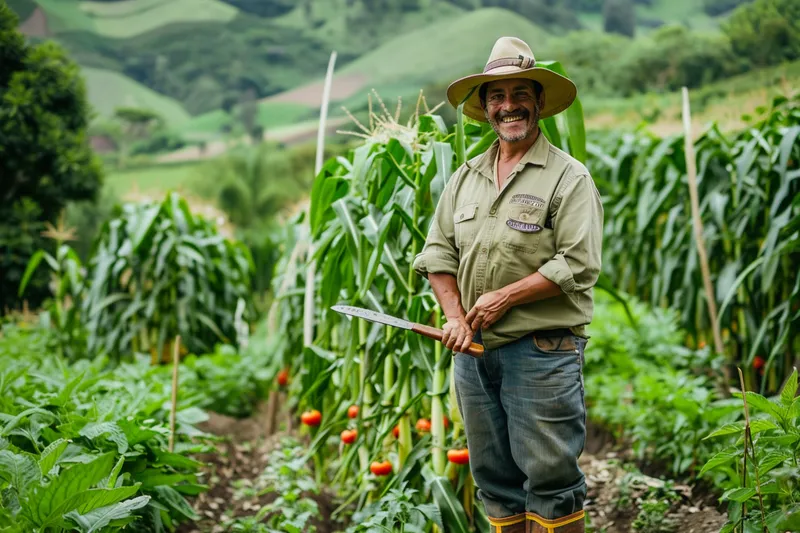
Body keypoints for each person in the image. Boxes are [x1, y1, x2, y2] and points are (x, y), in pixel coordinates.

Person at [412, 36, 604, 533]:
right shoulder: (465, 178)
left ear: (539, 102)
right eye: (497, 96)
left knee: (551, 480)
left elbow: (579, 264)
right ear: (484, 108)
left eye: (520, 93)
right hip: (473, 356)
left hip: (540, 352)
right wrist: (455, 317)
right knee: (494, 479)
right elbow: (438, 253)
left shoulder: (568, 177)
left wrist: (504, 297)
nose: (509, 105)